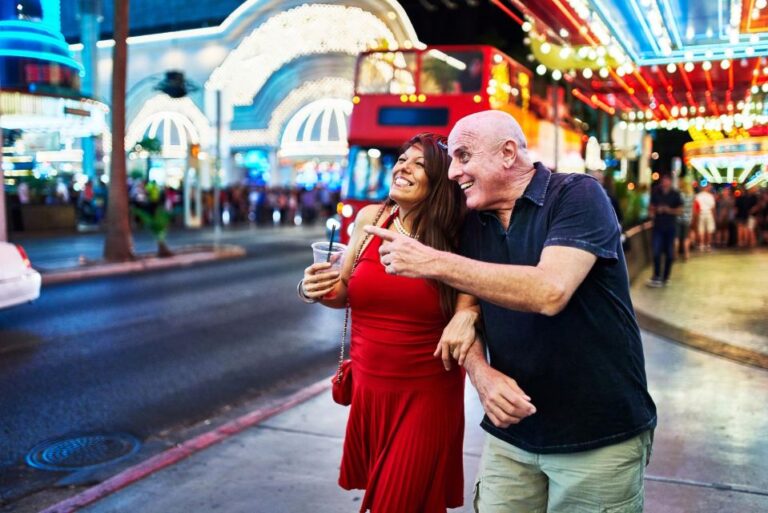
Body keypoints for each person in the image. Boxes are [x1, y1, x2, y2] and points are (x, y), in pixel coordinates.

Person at [366, 110, 656, 513]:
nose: (453, 172)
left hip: (597, 437)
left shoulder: (576, 195)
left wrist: (432, 261)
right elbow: (461, 323)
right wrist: (481, 375)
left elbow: (550, 290)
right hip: (511, 436)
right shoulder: (472, 223)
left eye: (463, 156)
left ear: (507, 154)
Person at [298, 133, 477, 513]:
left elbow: (473, 298)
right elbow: (343, 291)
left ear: (440, 181)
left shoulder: (459, 233)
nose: (402, 167)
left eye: (418, 164)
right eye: (401, 160)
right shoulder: (370, 218)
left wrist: (467, 314)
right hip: (371, 389)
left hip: (426, 394)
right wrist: (311, 287)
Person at [647, 174, 683, 287]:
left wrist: (669, 210)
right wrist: (656, 210)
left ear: (670, 182)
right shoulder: (656, 193)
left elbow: (680, 211)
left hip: (670, 227)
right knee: (656, 251)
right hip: (658, 227)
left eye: (667, 180)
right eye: (663, 180)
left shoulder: (675, 194)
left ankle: (666, 277)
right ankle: (656, 276)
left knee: (669, 253)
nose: (665, 182)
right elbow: (650, 208)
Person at [695, 184, 716, 251]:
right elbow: (713, 208)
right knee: (709, 230)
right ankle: (708, 245)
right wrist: (714, 216)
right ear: (707, 188)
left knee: (701, 230)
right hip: (709, 214)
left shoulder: (698, 196)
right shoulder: (710, 196)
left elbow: (696, 207)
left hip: (701, 214)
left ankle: (701, 245)